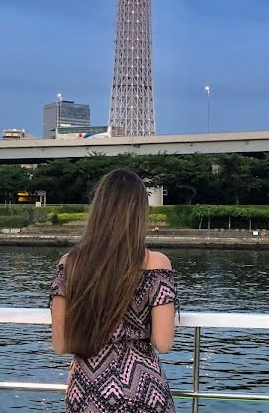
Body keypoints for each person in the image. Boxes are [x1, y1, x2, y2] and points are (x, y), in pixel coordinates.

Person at [49, 169, 178, 413]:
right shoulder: (157, 263)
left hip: (88, 386)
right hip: (143, 387)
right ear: (139, 212)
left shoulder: (70, 264)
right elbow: (162, 342)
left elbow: (61, 344)